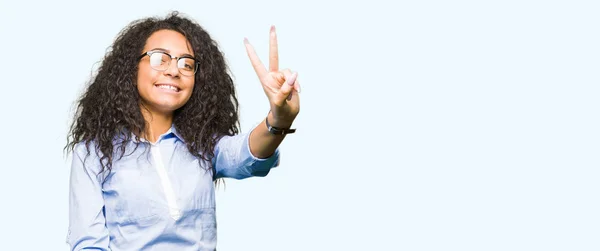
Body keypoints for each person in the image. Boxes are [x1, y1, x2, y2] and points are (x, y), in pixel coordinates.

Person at [65, 11, 300, 251]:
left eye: (186, 64)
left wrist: (279, 119)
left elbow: (248, 155)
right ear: (131, 68)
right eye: (160, 58)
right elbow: (88, 245)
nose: (174, 71)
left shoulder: (202, 145)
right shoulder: (93, 153)